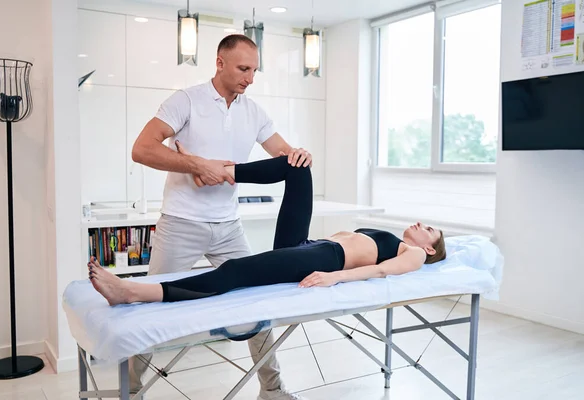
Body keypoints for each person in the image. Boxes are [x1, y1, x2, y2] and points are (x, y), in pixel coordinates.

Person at [129, 34, 313, 400]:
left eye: (255, 70)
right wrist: (196, 163)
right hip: (181, 224)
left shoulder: (253, 112)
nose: (250, 78)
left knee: (257, 302)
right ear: (220, 63)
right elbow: (141, 149)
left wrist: (298, 154)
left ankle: (272, 390)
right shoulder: (186, 101)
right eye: (244, 68)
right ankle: (130, 391)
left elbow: (281, 152)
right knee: (147, 307)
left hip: (229, 227)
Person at [88, 155, 447, 306]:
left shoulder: (413, 254)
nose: (420, 224)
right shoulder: (399, 240)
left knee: (234, 270)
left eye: (428, 229)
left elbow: (382, 270)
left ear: (430, 248)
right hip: (311, 246)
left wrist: (336, 278)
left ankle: (133, 292)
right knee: (297, 166)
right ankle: (224, 170)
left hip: (324, 258)